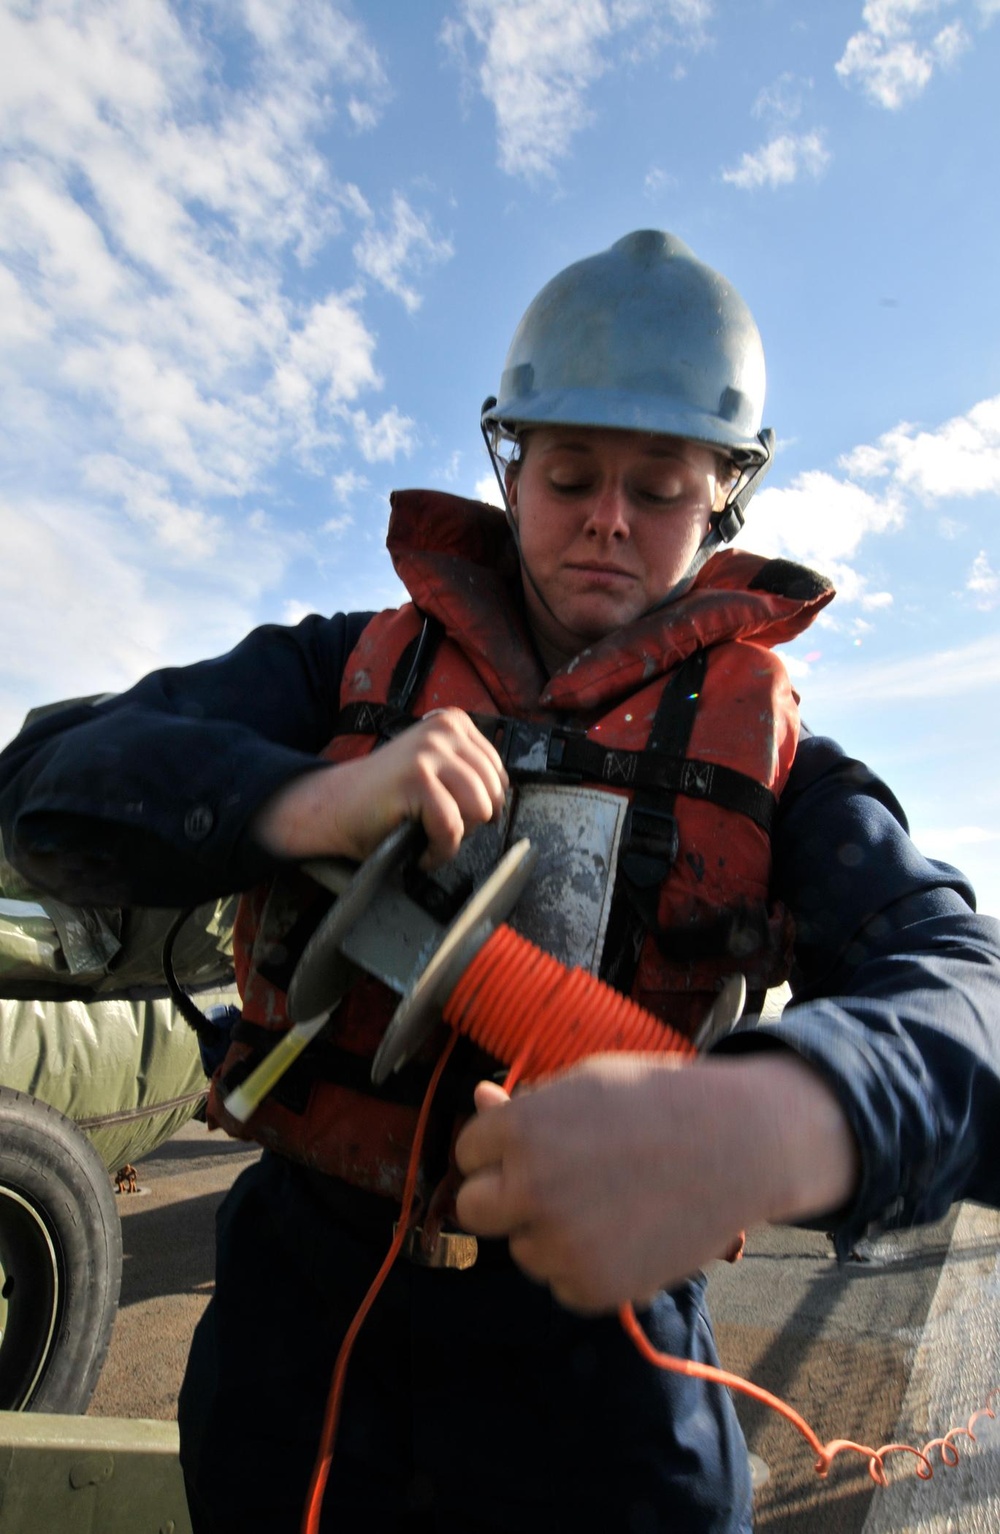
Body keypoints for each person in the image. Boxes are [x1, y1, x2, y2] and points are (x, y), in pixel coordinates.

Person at [2, 229, 999, 1534]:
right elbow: (49, 775)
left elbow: (964, 997)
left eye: (658, 487)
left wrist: (777, 1118)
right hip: (299, 1340)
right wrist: (302, 797)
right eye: (572, 471)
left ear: (727, 497)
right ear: (509, 467)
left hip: (611, 1385)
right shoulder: (345, 671)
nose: (606, 516)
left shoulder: (789, 769)